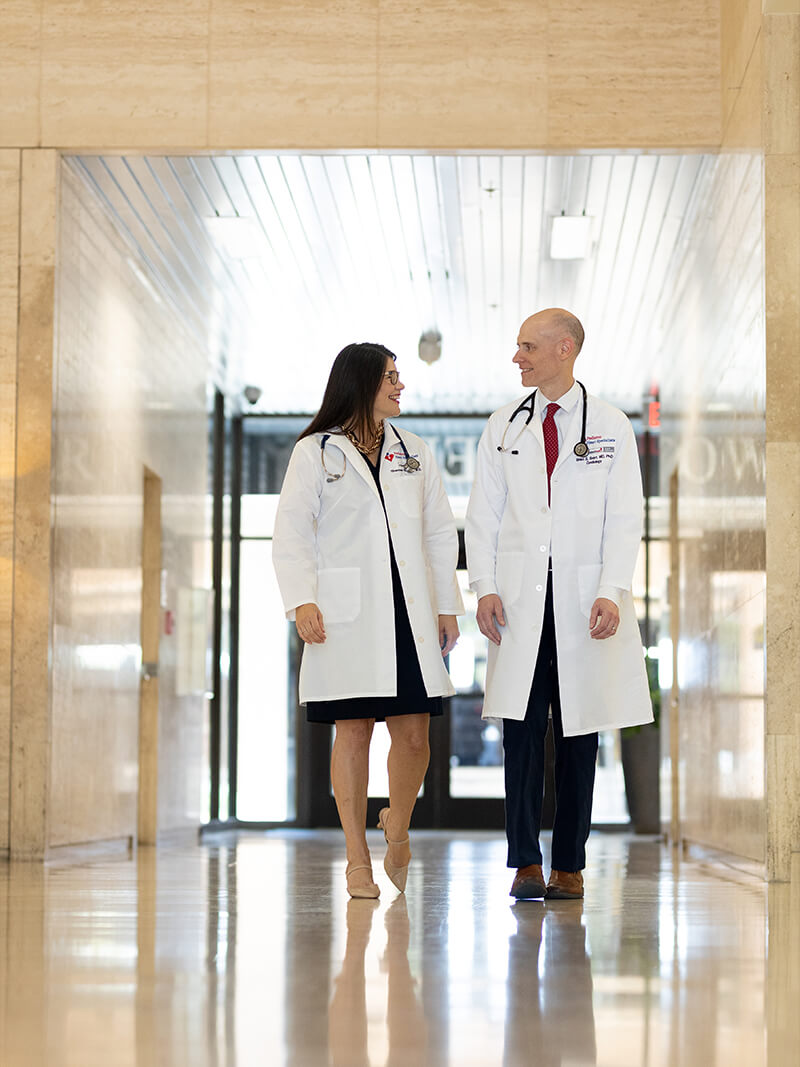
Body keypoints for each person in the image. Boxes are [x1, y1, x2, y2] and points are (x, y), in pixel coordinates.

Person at [465, 309, 652, 901]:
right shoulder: (503, 425)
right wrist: (485, 585)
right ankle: (524, 862)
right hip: (520, 604)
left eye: (527, 346)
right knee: (520, 734)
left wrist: (611, 589)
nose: (517, 357)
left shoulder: (611, 425)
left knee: (580, 735)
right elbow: (483, 516)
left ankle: (569, 863)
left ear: (564, 349)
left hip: (583, 605)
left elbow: (625, 517)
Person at [273, 342, 463, 899]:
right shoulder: (315, 452)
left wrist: (445, 603)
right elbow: (291, 533)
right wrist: (301, 600)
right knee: (352, 732)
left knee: (413, 738)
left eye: (400, 377)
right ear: (360, 384)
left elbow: (436, 534)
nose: (400, 386)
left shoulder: (415, 451)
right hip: (344, 616)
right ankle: (357, 857)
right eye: (391, 378)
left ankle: (397, 827)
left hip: (409, 610)